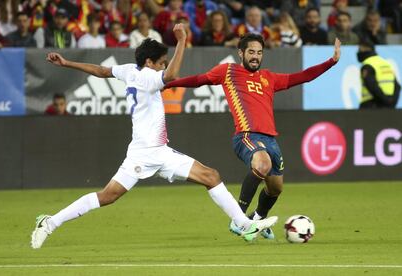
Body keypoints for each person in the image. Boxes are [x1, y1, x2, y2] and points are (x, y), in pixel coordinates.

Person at [31, 24, 277, 249]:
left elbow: (100, 70)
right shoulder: (148, 77)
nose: (164, 66)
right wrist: (182, 41)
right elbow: (170, 77)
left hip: (159, 151)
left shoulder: (129, 70)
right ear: (150, 62)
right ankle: (50, 222)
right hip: (144, 153)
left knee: (210, 176)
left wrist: (67, 63)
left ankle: (243, 224)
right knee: (108, 196)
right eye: (161, 62)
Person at [165, 33, 341, 240]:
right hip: (246, 136)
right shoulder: (228, 72)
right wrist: (167, 84)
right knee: (263, 165)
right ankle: (238, 218)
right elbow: (198, 80)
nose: (255, 56)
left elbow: (302, 76)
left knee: (275, 188)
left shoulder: (269, 77)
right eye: (251, 52)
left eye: (259, 52)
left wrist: (332, 62)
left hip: (270, 140)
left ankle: (257, 218)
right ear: (241, 53)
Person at [357, 40, 400, 109]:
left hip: (371, 105)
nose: (358, 52)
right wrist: (391, 102)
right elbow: (397, 86)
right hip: (388, 106)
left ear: (367, 49)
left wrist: (384, 100)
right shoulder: (386, 64)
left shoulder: (367, 65)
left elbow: (372, 86)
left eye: (360, 49)